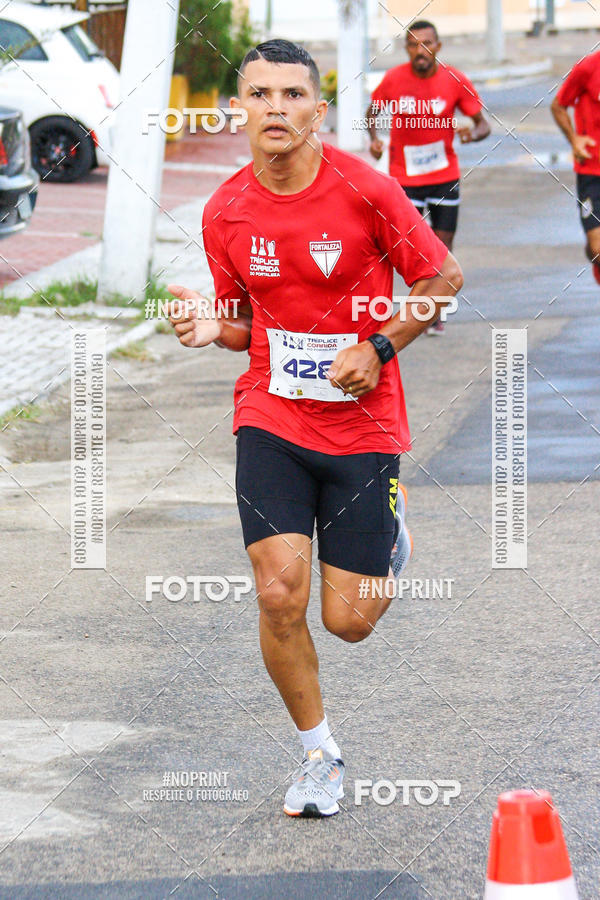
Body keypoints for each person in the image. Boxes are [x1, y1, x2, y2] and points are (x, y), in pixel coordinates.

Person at [167, 39, 463, 818]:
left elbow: (442, 278)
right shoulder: (225, 208)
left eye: (292, 95)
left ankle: (390, 540)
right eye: (258, 93)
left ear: (317, 110)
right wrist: (207, 327)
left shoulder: (365, 192)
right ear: (238, 108)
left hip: (364, 426)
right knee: (277, 592)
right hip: (270, 415)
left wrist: (379, 345)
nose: (274, 108)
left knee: (350, 621)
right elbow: (239, 323)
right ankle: (318, 755)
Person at [366, 19, 489, 333]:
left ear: (438, 47)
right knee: (412, 246)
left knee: (442, 246)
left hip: (444, 175)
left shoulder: (455, 80)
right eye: (413, 45)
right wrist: (375, 139)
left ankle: (432, 309)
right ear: (406, 49)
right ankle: (426, 309)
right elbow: (372, 113)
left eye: (427, 44)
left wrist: (471, 135)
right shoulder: (394, 80)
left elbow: (482, 125)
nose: (420, 51)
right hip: (405, 177)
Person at [551, 50, 600, 285]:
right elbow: (558, 105)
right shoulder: (588, 68)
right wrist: (574, 139)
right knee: (597, 248)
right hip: (592, 172)